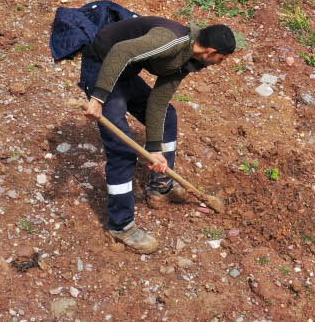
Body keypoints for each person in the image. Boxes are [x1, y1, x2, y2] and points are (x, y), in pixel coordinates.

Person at [77, 15, 237, 253]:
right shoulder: (170, 40)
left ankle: (161, 186)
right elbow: (121, 51)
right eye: (221, 59)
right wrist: (98, 97)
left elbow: (158, 102)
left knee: (168, 117)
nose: (220, 64)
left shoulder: (188, 60)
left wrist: (154, 149)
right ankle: (121, 226)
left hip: (125, 73)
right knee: (122, 148)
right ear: (211, 51)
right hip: (102, 65)